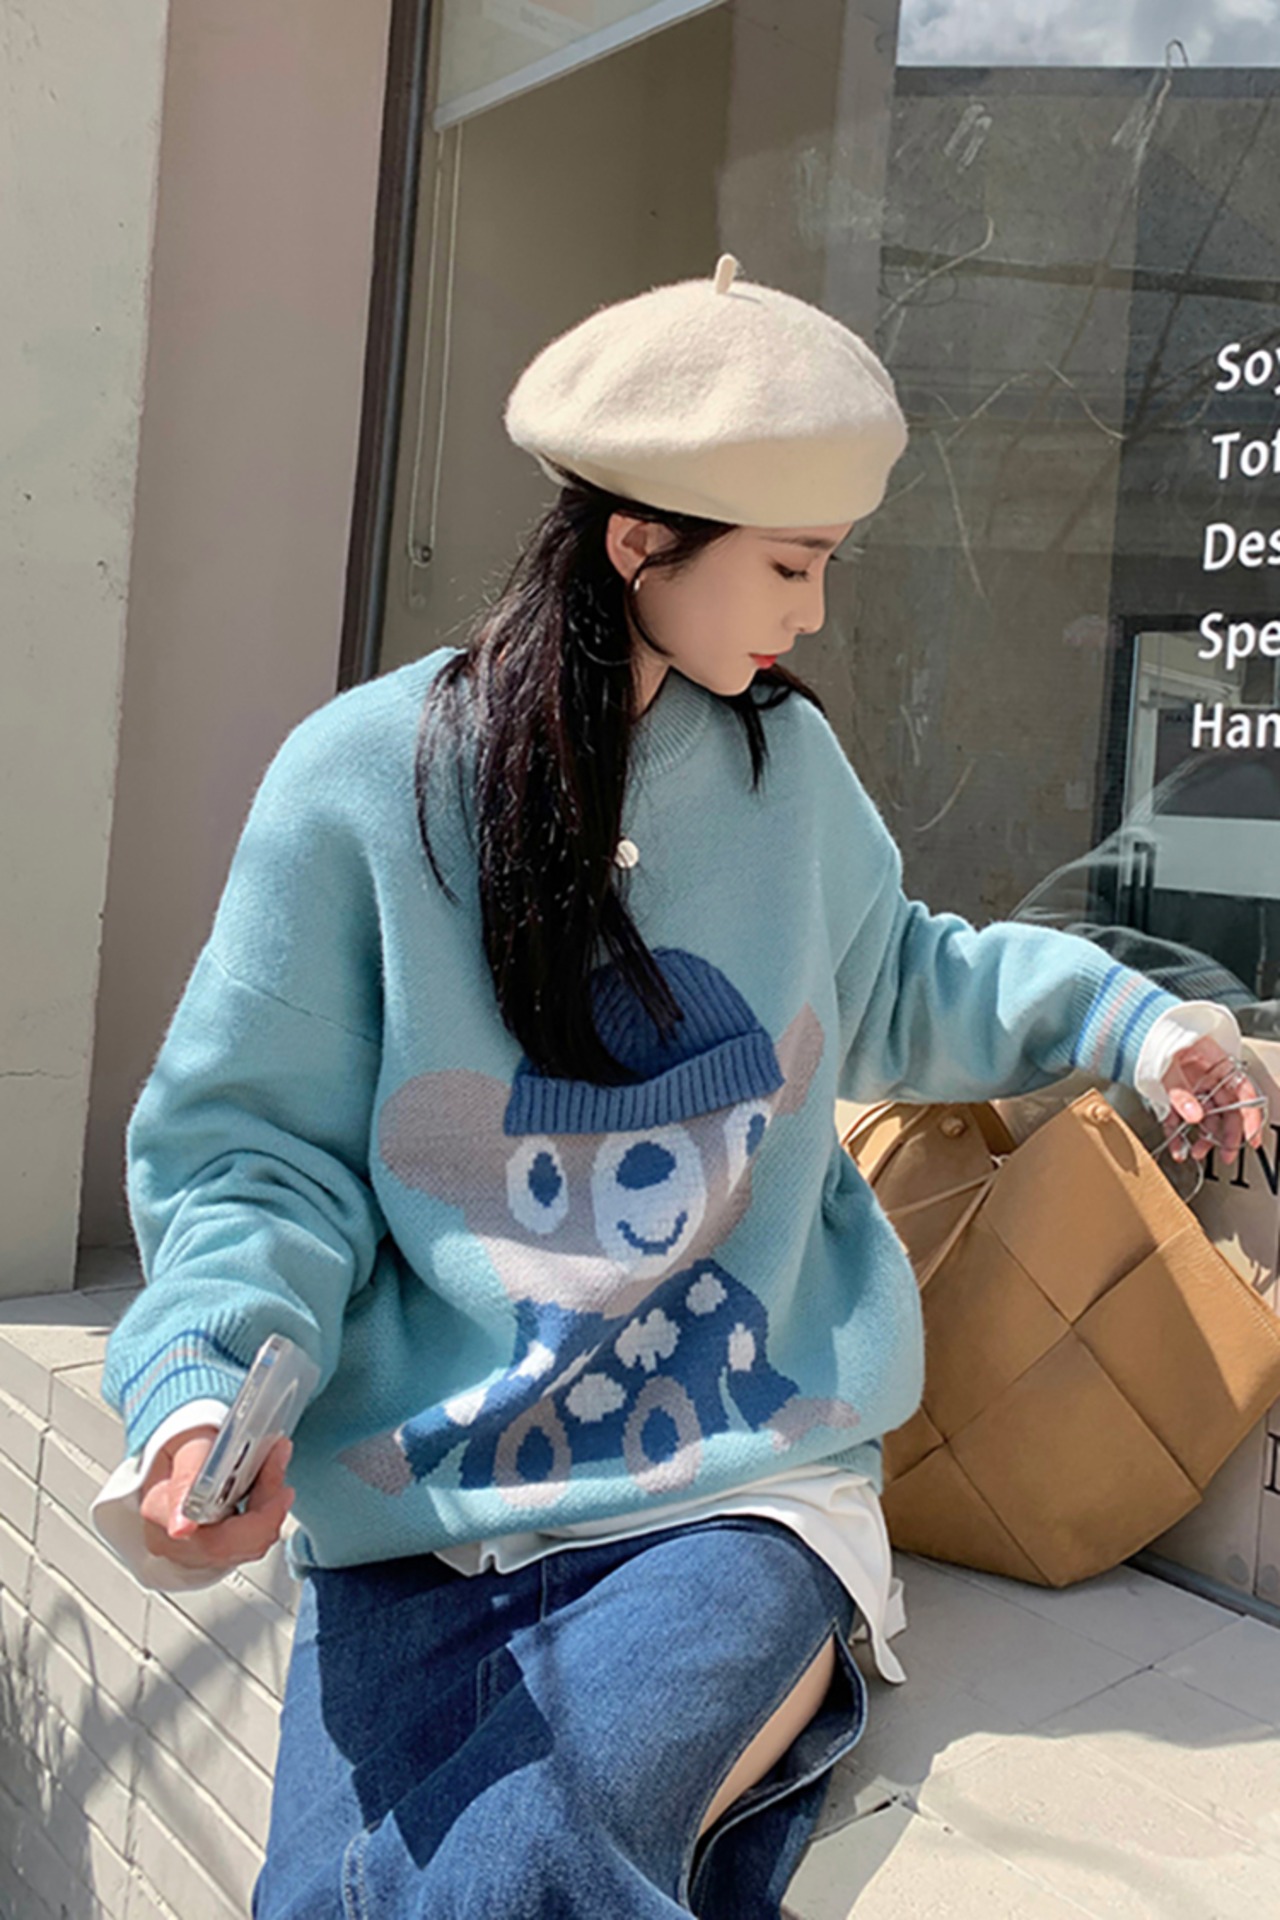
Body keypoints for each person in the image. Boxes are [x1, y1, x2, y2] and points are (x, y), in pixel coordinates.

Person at [92, 256, 1266, 1919]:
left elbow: (899, 980)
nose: (813, 613)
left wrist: (1136, 1023)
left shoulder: (788, 772)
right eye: (790, 564)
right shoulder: (360, 787)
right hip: (433, 1514)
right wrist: (202, 1391)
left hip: (740, 1492)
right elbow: (256, 1155)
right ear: (637, 541)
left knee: (527, 1870)